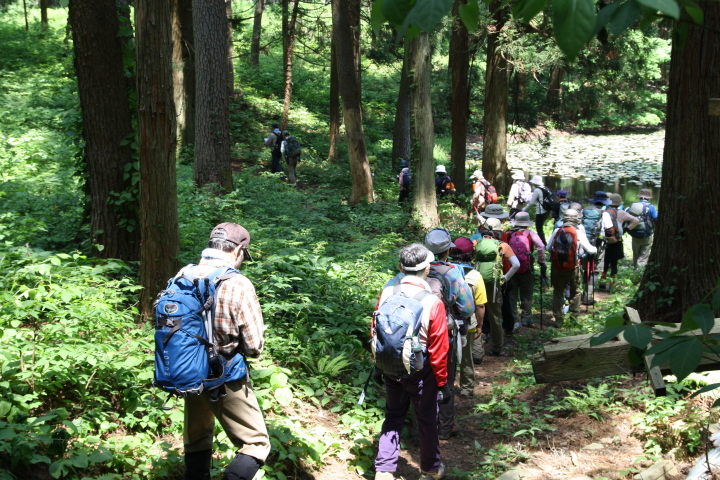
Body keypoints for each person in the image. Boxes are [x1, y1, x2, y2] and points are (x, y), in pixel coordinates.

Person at [182, 223, 270, 480]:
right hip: (223, 374)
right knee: (256, 444)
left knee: (197, 438)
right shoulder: (238, 283)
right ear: (238, 250)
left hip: (186, 369)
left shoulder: (183, 274)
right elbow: (254, 347)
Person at [372, 244, 450, 480]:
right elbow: (439, 348)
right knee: (427, 419)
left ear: (400, 267)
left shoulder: (388, 293)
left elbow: (375, 331)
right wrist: (442, 382)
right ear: (427, 268)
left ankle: (384, 470)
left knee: (393, 415)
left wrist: (377, 364)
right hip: (422, 370)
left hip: (391, 367)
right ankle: (430, 469)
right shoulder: (433, 302)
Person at [424, 228, 473, 441]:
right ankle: (445, 427)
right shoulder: (451, 273)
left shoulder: (415, 270)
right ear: (447, 251)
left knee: (421, 380)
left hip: (416, 334)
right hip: (444, 334)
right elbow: (468, 308)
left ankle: (423, 427)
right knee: (446, 380)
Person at [474, 217, 519, 355]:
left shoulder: (476, 243)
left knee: (476, 314)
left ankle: (476, 348)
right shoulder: (502, 245)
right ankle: (497, 347)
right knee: (495, 316)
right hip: (494, 285)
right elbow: (516, 264)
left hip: (477, 283)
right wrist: (504, 278)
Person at [546, 210, 597, 326]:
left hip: (557, 266)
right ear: (576, 220)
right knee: (575, 292)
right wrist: (595, 249)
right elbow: (590, 250)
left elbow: (548, 248)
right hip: (573, 266)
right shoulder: (578, 232)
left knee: (558, 291)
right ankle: (574, 317)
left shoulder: (557, 231)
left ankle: (558, 319)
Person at [449, 237, 487, 388]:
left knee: (449, 358)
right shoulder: (475, 276)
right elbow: (480, 306)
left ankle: (447, 388)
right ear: (471, 254)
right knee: (466, 358)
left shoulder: (445, 272)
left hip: (447, 322)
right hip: (468, 323)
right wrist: (480, 325)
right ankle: (467, 388)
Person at [502, 212, 546, 328]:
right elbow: (541, 246)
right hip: (527, 268)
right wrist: (541, 260)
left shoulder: (509, 234)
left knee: (512, 294)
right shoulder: (530, 234)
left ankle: (514, 318)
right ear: (527, 222)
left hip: (511, 268)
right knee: (526, 294)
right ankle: (526, 318)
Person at [601, 193, 639, 290]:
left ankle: (602, 282)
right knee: (614, 263)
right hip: (616, 240)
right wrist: (627, 228)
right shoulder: (622, 213)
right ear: (619, 203)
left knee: (605, 262)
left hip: (605, 240)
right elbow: (636, 220)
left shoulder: (604, 212)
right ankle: (612, 284)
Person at [628, 188, 658, 268]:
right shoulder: (651, 207)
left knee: (636, 254)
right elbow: (656, 219)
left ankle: (634, 267)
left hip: (634, 233)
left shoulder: (632, 206)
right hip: (646, 234)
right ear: (648, 198)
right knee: (644, 255)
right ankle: (640, 270)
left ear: (640, 197)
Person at [522, 175, 551, 245]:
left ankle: (543, 244)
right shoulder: (545, 188)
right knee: (540, 227)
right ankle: (542, 243)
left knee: (539, 228)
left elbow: (532, 202)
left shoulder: (537, 190)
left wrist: (524, 209)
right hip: (547, 210)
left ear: (535, 183)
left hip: (540, 212)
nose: (532, 184)